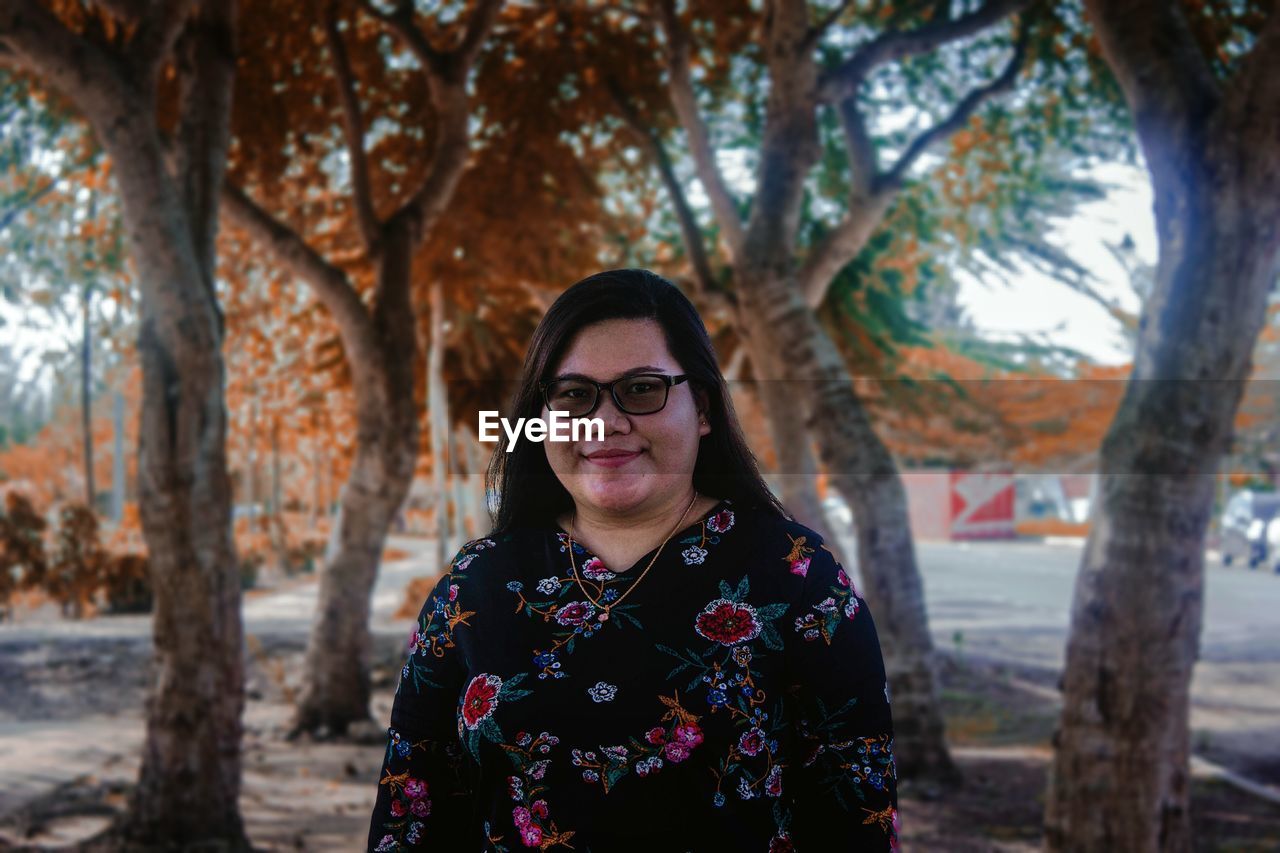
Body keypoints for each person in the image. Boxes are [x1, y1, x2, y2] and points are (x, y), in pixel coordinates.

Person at [367, 269, 898, 851]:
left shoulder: (799, 579)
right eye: (573, 394)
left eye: (642, 389)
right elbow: (410, 816)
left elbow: (857, 822)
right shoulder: (473, 588)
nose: (605, 421)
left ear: (702, 408)